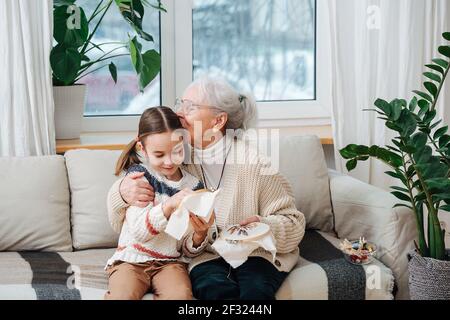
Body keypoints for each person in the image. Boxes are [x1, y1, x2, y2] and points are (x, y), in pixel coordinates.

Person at [107, 77, 306, 300]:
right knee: (213, 291)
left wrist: (265, 227)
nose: (179, 112)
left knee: (254, 293)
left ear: (218, 120)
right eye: (180, 103)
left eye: (189, 107)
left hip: (255, 255)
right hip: (207, 257)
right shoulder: (177, 155)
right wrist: (122, 193)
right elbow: (124, 213)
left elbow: (294, 223)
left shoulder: (255, 163)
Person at [104, 106, 214, 300]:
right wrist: (168, 206)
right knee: (122, 296)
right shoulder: (140, 177)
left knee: (181, 298)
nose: (170, 162)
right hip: (131, 261)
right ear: (142, 148)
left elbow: (186, 249)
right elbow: (139, 231)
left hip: (171, 263)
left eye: (177, 152)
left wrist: (199, 235)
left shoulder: (193, 186)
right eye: (159, 154)